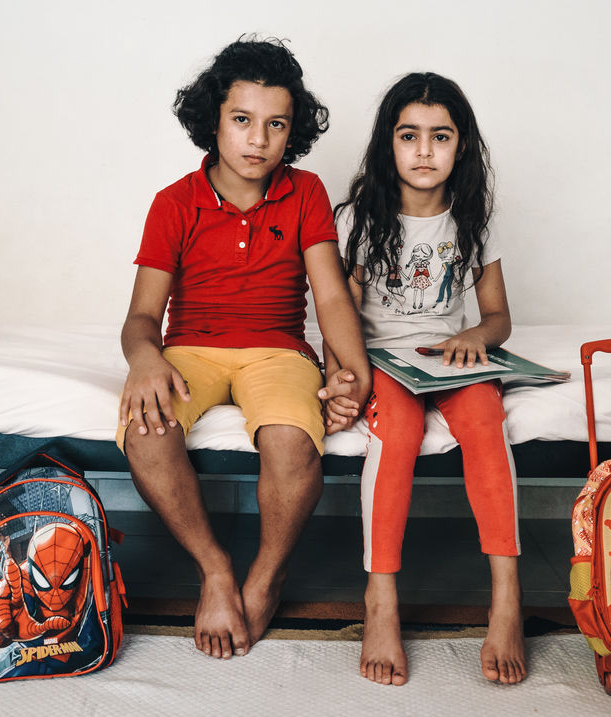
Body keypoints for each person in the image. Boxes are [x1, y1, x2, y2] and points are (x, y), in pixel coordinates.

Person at [118, 36, 371, 661]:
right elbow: (142, 317)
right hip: (190, 350)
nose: (257, 140)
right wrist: (145, 359)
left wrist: (353, 369)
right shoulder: (174, 203)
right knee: (146, 429)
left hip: (278, 351)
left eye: (275, 124)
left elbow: (331, 296)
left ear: (292, 131)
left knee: (291, 439)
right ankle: (214, 569)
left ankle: (266, 576)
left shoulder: (306, 192)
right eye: (241, 120)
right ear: (213, 120)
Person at [325, 71, 525, 686]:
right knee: (399, 431)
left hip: (447, 357)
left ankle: (507, 598)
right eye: (408, 135)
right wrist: (342, 379)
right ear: (388, 142)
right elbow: (337, 313)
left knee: (486, 421)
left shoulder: (473, 219)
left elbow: (499, 317)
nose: (423, 151)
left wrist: (475, 337)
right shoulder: (358, 218)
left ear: (461, 146)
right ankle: (380, 597)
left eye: (440, 136)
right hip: (381, 359)